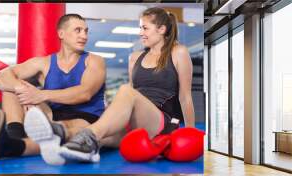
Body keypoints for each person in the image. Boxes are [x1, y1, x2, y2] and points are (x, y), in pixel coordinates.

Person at [30, 7, 195, 163]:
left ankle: (88, 137)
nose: (140, 33)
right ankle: (63, 139)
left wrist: (191, 133)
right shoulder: (135, 57)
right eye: (140, 29)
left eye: (145, 28)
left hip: (161, 121)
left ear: (161, 30)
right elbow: (133, 96)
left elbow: (185, 96)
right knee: (106, 135)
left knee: (125, 90)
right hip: (135, 123)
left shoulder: (178, 52)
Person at [0, 14, 106, 165]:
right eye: (78, 30)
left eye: (86, 31)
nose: (84, 35)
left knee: (63, 131)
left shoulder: (95, 61)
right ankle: (15, 134)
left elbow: (85, 93)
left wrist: (40, 95)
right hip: (52, 116)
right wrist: (22, 90)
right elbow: (1, 76)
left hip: (85, 118)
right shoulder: (43, 63)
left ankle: (10, 146)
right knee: (11, 86)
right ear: (61, 34)